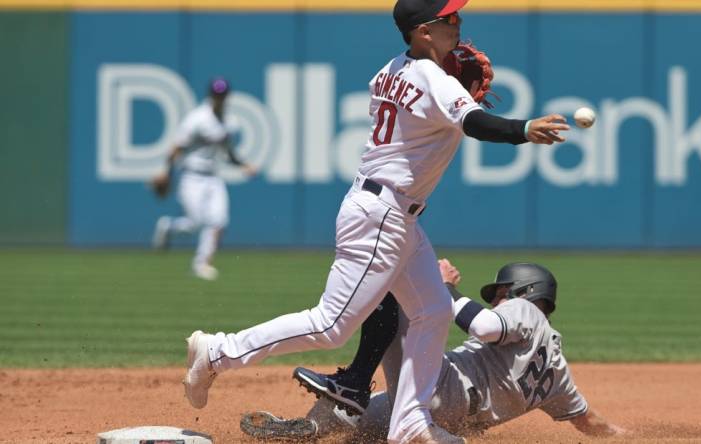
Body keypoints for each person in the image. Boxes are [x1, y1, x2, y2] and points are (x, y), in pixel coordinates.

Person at [182, 0, 570, 441]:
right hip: (382, 215)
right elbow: (476, 123)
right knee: (331, 324)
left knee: (433, 310)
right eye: (450, 19)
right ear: (424, 32)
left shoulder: (392, 69)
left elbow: (418, 117)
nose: (459, 24)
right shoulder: (430, 77)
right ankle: (217, 352)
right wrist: (523, 128)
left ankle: (409, 423)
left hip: (391, 213)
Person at [248, 259, 626, 442]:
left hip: (443, 386)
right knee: (365, 426)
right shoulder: (558, 374)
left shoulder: (525, 311)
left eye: (499, 294)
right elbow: (589, 422)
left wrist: (441, 287)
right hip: (449, 416)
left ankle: (353, 383)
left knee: (394, 282)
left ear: (525, 292)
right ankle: (313, 427)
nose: (496, 300)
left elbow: (484, 326)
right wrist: (629, 436)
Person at [150, 77, 256, 281]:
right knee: (195, 223)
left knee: (219, 220)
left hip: (213, 177)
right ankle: (168, 226)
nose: (220, 99)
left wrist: (244, 165)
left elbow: (228, 152)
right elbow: (177, 147)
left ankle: (202, 263)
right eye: (217, 95)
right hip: (192, 176)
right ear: (210, 96)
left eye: (223, 95)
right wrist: (166, 171)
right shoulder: (197, 119)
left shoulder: (228, 122)